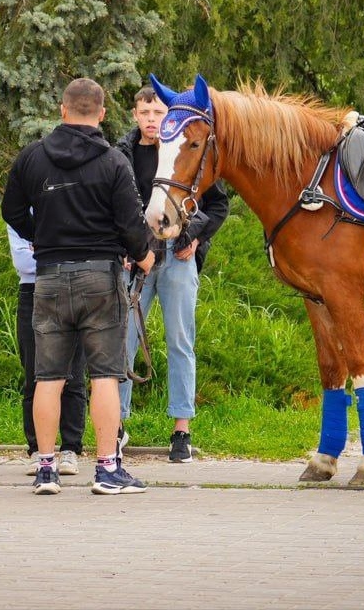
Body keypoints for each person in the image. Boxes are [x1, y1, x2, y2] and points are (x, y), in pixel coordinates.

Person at [2, 77, 156, 495]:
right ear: (102, 114)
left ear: (62, 109)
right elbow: (131, 225)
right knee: (104, 375)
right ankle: (107, 469)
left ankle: (46, 468)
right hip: (100, 278)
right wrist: (144, 255)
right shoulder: (114, 162)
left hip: (49, 277)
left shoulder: (32, 157)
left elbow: (10, 209)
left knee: (47, 376)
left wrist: (41, 234)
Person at [117, 85, 229, 463]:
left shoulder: (183, 148)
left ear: (169, 118)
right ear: (135, 115)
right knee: (124, 341)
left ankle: (182, 429)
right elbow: (116, 207)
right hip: (137, 262)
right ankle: (116, 424)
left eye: (159, 114)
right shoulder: (124, 154)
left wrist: (195, 235)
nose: (152, 120)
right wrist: (129, 249)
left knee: (181, 341)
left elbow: (217, 206)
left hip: (177, 258)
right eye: (145, 113)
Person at [8, 224, 87, 476]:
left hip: (72, 287)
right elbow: (23, 262)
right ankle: (36, 449)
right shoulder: (20, 214)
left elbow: (80, 252)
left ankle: (70, 448)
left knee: (73, 375)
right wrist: (59, 252)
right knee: (33, 373)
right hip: (31, 291)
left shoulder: (69, 202)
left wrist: (43, 251)